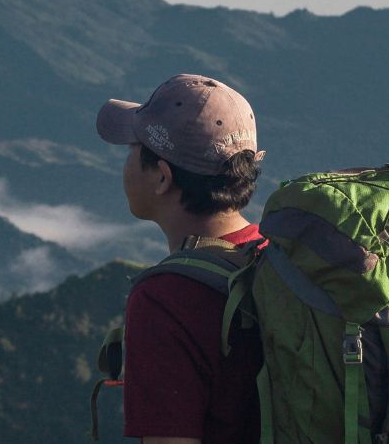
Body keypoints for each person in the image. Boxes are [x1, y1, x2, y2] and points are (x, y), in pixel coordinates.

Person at [95, 73, 265, 444]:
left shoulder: (166, 299)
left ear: (162, 177)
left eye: (132, 149)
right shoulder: (281, 258)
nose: (125, 162)